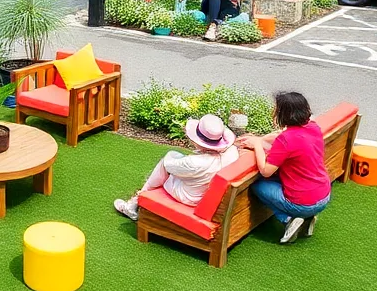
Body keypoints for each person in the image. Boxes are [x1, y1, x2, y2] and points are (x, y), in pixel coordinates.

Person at [236, 92, 331, 243]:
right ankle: (307, 218)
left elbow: (265, 171)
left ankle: (287, 219)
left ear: (282, 114)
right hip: (324, 196)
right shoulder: (313, 127)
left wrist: (257, 144)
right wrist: (260, 138)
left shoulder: (285, 140)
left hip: (303, 204)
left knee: (258, 185)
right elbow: (282, 136)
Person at [114, 114, 239, 219]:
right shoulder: (232, 152)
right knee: (173, 159)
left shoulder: (195, 162)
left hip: (190, 196)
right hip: (204, 188)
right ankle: (138, 198)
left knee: (166, 161)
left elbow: (168, 165)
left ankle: (135, 201)